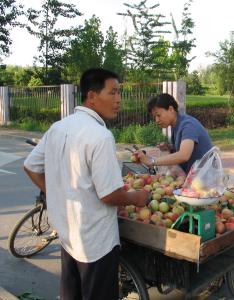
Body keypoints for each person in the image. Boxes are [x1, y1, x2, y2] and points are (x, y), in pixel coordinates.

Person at [23, 68, 149, 300]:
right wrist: (137, 198)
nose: (119, 99)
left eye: (119, 93)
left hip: (68, 232)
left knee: (71, 294)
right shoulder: (100, 136)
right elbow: (109, 195)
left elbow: (31, 166)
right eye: (112, 93)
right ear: (91, 96)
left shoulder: (59, 127)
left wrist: (55, 195)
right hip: (95, 242)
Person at [136, 93, 213, 174]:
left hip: (207, 179)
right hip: (195, 177)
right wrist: (170, 148)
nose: (157, 120)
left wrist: (151, 161)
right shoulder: (176, 124)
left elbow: (184, 155)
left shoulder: (188, 125)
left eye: (158, 115)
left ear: (170, 109)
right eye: (155, 117)